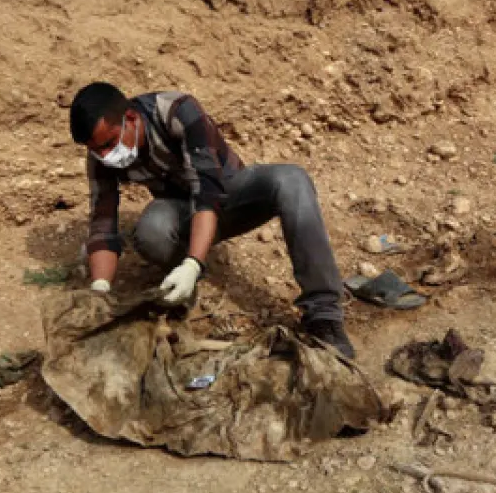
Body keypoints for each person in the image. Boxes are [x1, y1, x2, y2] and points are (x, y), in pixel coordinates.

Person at [68, 82, 353, 357]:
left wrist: (193, 263)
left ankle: (323, 313)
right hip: (184, 212)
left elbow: (206, 192)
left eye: (108, 144)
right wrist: (100, 290)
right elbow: (103, 223)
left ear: (131, 118)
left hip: (232, 195)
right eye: (96, 150)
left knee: (292, 180)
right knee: (151, 229)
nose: (106, 155)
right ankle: (182, 282)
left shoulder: (177, 111)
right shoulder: (101, 158)